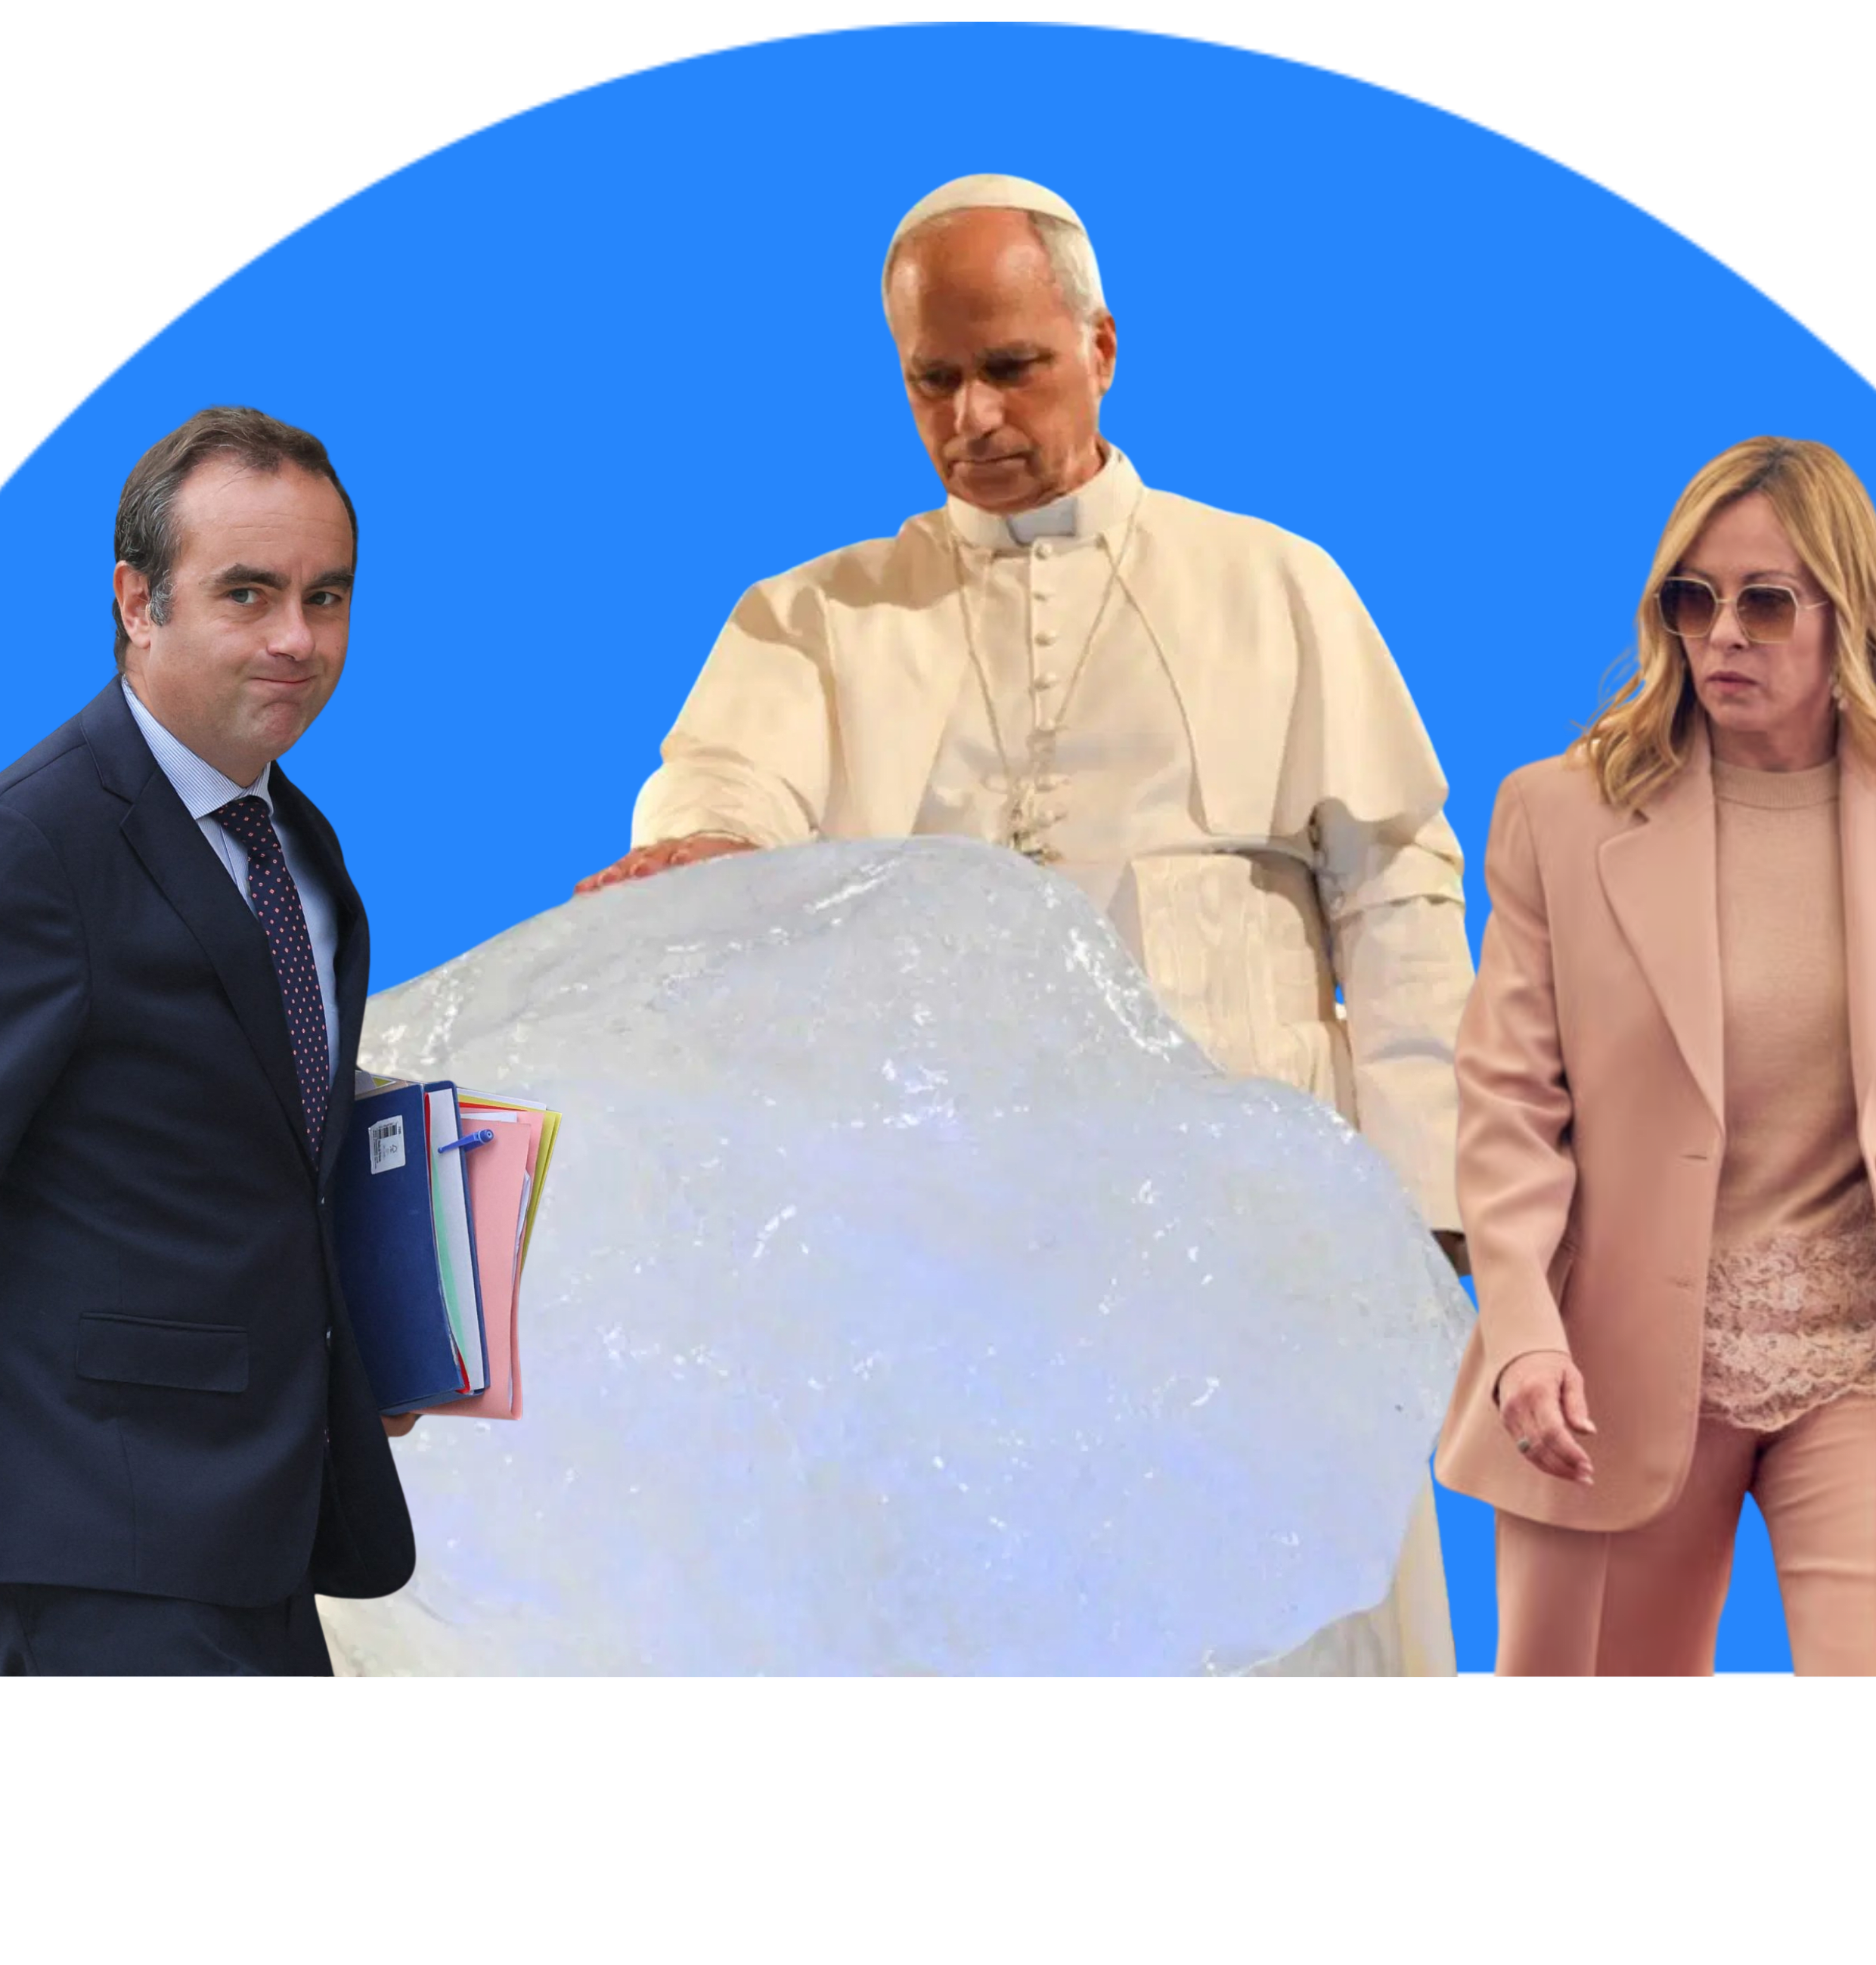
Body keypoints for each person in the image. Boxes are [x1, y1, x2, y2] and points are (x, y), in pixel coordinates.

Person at [580, 174, 1475, 1675]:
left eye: (1012, 368)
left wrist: (1430, 1198)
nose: (972, 419)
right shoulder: (817, 618)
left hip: (1249, 1233)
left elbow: (1398, 899)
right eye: (932, 380)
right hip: (958, 1252)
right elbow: (721, 791)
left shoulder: (1276, 585)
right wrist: (711, 848)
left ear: (1100, 347)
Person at [0, 405, 419, 1677]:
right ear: (138, 602)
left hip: (259, 1527)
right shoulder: (22, 848)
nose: (297, 638)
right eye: (248, 593)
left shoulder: (298, 844)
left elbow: (260, 1140)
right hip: (85, 1531)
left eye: (326, 596)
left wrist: (385, 1333)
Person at [1433, 436, 1876, 1677]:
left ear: (1849, 613)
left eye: (1766, 601)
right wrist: (1521, 1331)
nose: (1721, 633)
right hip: (1606, 1366)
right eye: (1694, 597)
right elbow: (1506, 1104)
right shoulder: (1556, 813)